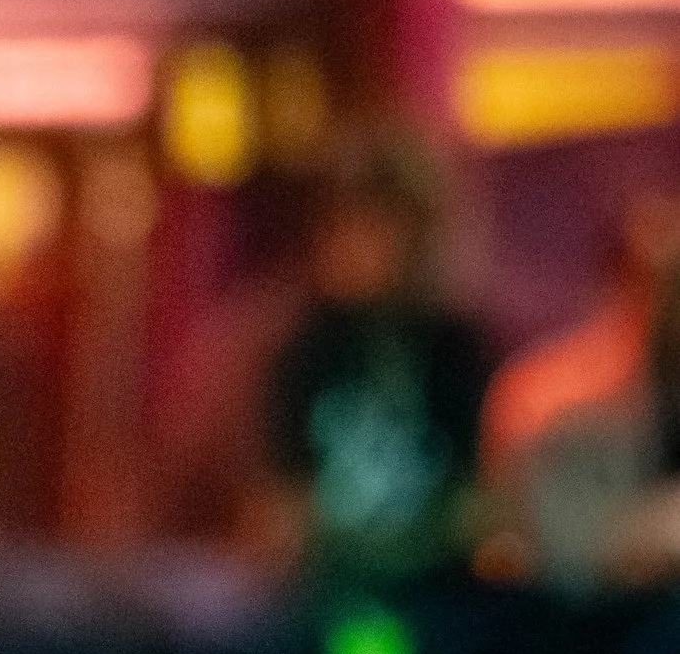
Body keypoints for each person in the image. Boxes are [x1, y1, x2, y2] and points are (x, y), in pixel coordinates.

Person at [259, 128, 492, 583]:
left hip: (438, 600)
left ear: (416, 234)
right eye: (337, 224)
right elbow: (275, 503)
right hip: (323, 596)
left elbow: (481, 501)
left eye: (372, 224)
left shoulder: (456, 350)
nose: (351, 244)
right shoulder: (297, 349)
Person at [482, 187, 680, 591]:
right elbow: (514, 531)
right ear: (616, 284)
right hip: (569, 609)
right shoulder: (541, 390)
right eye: (655, 283)